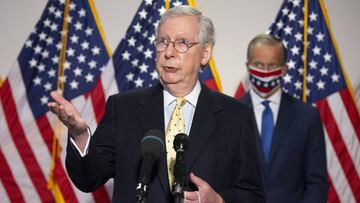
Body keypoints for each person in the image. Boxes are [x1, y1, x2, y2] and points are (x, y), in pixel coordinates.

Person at [48, 6, 264, 203]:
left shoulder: (236, 116)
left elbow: (254, 195)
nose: (168, 53)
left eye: (182, 43)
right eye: (162, 42)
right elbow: (88, 179)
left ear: (205, 53)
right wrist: (80, 135)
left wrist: (219, 201)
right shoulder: (123, 108)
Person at [240, 34, 328, 202]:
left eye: (272, 65)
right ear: (248, 66)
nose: (265, 72)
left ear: (284, 69)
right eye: (258, 64)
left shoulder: (307, 117)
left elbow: (316, 184)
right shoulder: (230, 113)